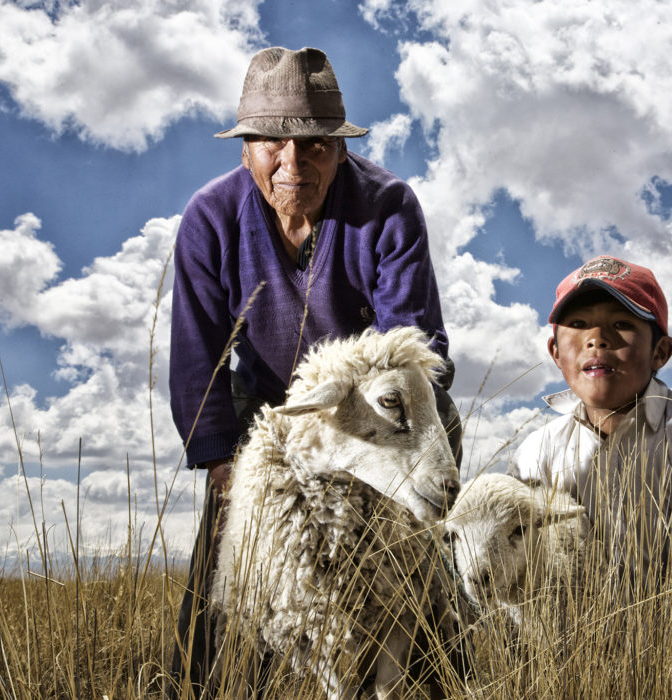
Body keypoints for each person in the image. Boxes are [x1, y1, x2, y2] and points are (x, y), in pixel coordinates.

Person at [168, 46, 460, 696]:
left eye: (315, 145)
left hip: (384, 408)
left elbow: (411, 344)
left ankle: (443, 669)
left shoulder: (387, 206)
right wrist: (223, 463)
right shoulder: (210, 219)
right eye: (272, 142)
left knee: (412, 549)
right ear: (246, 147)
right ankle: (202, 676)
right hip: (269, 410)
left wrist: (377, 442)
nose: (293, 163)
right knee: (233, 556)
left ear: (339, 146)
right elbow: (199, 354)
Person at [511, 255, 672, 631]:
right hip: (574, 653)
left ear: (660, 352)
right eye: (578, 325)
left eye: (622, 325)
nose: (597, 339)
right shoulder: (537, 451)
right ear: (555, 352)